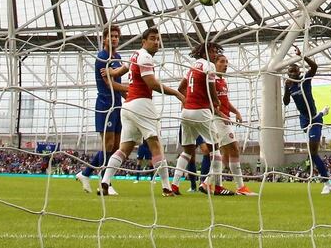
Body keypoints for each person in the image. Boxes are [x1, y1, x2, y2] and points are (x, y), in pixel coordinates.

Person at [98, 27, 184, 197]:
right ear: (144, 41)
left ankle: (105, 181)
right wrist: (176, 93)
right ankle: (167, 187)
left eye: (158, 39)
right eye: (152, 38)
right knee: (156, 144)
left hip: (128, 106)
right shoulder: (145, 57)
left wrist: (111, 72)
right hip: (141, 104)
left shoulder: (135, 55)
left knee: (125, 148)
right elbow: (151, 83)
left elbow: (120, 71)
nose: (156, 42)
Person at [170, 42, 233, 196]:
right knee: (215, 148)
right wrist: (215, 101)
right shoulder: (209, 66)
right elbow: (211, 89)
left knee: (187, 150)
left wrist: (189, 99)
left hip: (186, 112)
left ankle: (174, 185)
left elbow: (180, 88)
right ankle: (214, 185)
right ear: (204, 53)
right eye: (212, 52)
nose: (215, 55)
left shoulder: (193, 66)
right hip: (201, 111)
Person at [76, 25, 126, 195]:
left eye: (116, 36)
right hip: (105, 104)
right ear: (104, 39)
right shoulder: (102, 57)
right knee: (108, 145)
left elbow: (117, 83)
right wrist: (132, 91)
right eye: (110, 36)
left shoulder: (117, 57)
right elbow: (110, 84)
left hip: (117, 104)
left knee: (117, 146)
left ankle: (86, 174)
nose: (114, 39)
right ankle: (106, 183)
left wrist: (129, 97)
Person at [283, 46, 331, 195]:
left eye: (295, 71)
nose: (292, 73)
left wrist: (302, 56)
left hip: (314, 119)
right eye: (290, 72)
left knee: (313, 152)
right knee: (312, 153)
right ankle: (327, 182)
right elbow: (285, 102)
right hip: (304, 120)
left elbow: (314, 66)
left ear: (299, 72)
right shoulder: (290, 87)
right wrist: (286, 88)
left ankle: (327, 183)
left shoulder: (305, 80)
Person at [213, 54, 257, 196]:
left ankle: (207, 182)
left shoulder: (223, 81)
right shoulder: (211, 80)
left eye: (226, 62)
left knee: (223, 154)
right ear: (215, 63)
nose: (225, 64)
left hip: (224, 119)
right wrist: (222, 115)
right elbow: (209, 103)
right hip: (217, 119)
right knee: (233, 149)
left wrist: (236, 111)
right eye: (222, 61)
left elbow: (225, 101)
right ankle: (240, 187)